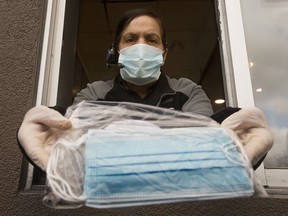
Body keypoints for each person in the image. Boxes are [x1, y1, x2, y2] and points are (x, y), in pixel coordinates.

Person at [18, 9, 273, 172]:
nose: (141, 46)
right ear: (116, 52)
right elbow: (70, 133)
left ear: (163, 54)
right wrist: (44, 121)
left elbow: (209, 134)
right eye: (130, 39)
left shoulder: (187, 91)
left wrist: (241, 128)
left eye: (151, 40)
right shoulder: (94, 94)